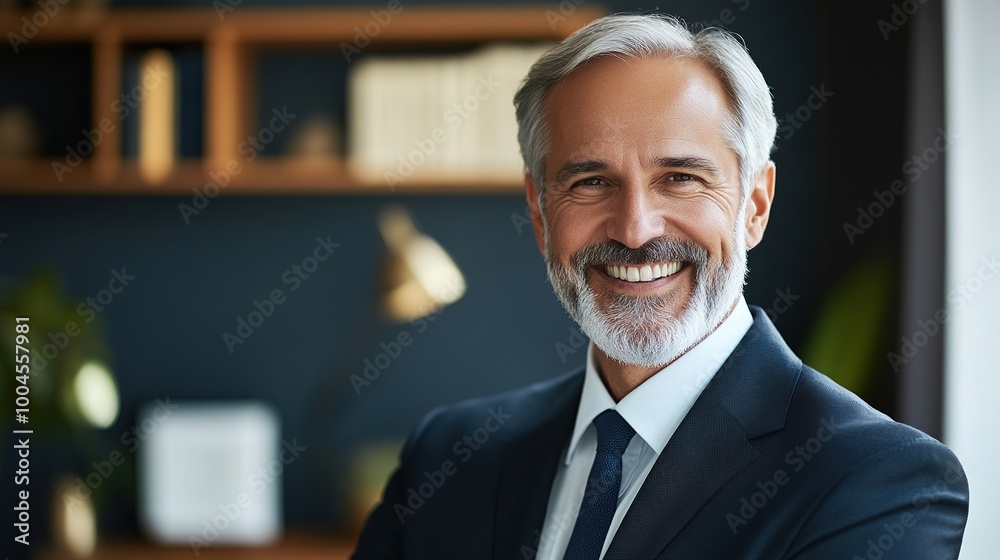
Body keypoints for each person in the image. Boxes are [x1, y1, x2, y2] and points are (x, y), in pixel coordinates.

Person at [352, 13, 969, 560]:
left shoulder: (877, 480)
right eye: (591, 182)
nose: (635, 229)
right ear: (541, 215)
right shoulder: (447, 455)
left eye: (679, 177)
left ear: (754, 206)